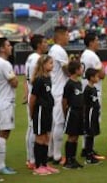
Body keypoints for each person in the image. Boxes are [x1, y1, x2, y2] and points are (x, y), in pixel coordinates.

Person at [0, 38, 18, 174]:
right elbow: (14, 82)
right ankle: (0, 166)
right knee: (3, 133)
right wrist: (15, 79)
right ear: (2, 48)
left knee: (1, 133)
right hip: (5, 102)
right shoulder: (5, 63)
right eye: (8, 45)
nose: (11, 47)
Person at [29, 55, 59, 175]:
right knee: (40, 137)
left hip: (48, 110)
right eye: (50, 63)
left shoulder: (48, 78)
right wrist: (32, 114)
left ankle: (45, 164)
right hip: (40, 111)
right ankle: (38, 166)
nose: (52, 65)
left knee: (47, 137)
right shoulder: (39, 79)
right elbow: (33, 98)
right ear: (43, 65)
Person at [24, 34, 48, 170]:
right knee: (34, 128)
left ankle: (32, 158)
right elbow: (34, 79)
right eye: (44, 42)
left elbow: (27, 79)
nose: (46, 44)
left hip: (34, 95)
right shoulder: (37, 59)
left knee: (33, 127)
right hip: (37, 97)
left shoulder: (31, 58)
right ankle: (32, 159)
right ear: (39, 45)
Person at [80, 32, 105, 158]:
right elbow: (102, 75)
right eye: (96, 40)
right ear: (91, 42)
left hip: (85, 89)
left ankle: (86, 148)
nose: (98, 42)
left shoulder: (84, 54)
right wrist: (102, 71)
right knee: (93, 120)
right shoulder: (93, 56)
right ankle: (89, 150)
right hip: (93, 91)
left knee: (87, 120)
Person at [48, 26, 70, 165]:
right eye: (67, 35)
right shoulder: (59, 50)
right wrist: (76, 71)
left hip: (55, 88)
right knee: (60, 122)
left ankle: (50, 153)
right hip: (60, 90)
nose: (68, 37)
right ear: (59, 36)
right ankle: (57, 155)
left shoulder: (53, 50)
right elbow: (66, 70)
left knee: (55, 122)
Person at [62, 61, 85, 169]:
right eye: (81, 68)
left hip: (80, 112)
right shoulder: (69, 84)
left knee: (76, 136)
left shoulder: (79, 83)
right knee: (71, 136)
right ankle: (68, 160)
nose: (82, 70)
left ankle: (73, 159)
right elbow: (64, 100)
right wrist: (65, 113)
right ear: (76, 70)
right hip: (72, 111)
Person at [83, 68, 102, 164]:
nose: (98, 78)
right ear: (91, 78)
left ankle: (90, 153)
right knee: (89, 134)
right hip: (89, 115)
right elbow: (85, 104)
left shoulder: (94, 88)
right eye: (96, 76)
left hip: (94, 114)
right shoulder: (87, 89)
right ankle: (88, 157)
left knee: (93, 134)